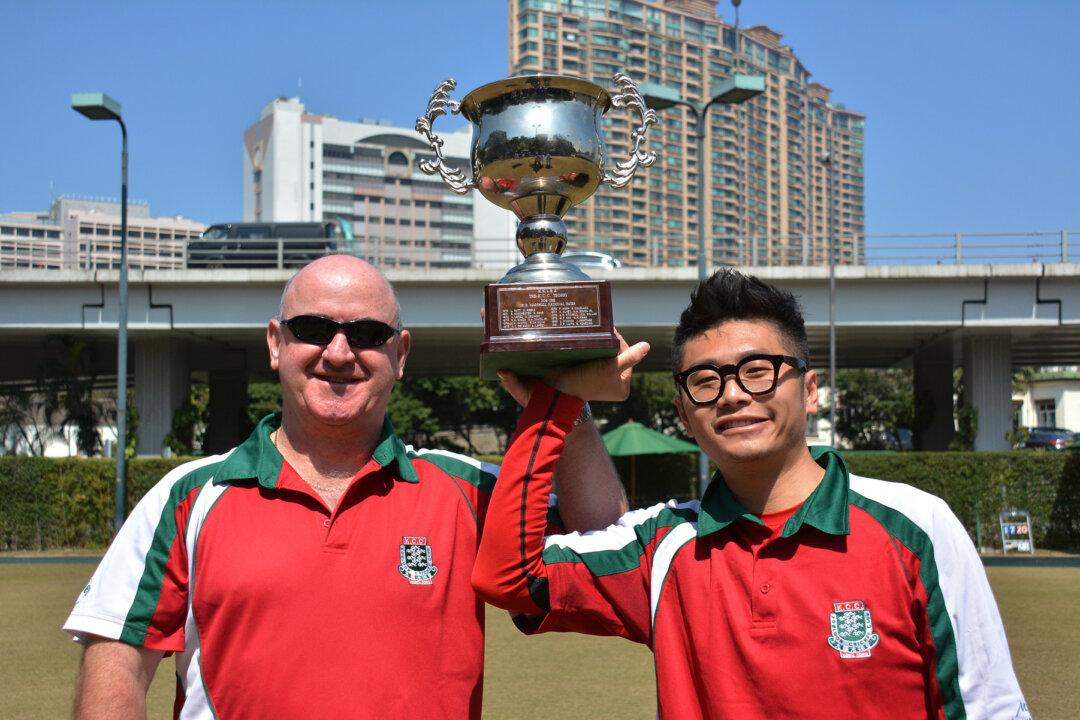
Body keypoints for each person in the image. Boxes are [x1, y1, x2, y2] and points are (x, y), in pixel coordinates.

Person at [64, 254, 635, 720]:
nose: (338, 353)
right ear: (274, 344)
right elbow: (116, 668)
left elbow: (605, 543)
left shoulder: (465, 491)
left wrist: (567, 399)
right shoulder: (186, 497)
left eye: (366, 333)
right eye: (312, 329)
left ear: (400, 354)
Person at [473, 269, 1030, 720]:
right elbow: (510, 578)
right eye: (707, 381)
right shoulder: (663, 544)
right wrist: (558, 402)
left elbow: (990, 707)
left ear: (810, 391)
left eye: (758, 371)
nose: (734, 395)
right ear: (684, 415)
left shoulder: (915, 525)